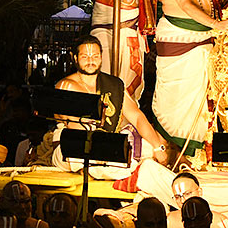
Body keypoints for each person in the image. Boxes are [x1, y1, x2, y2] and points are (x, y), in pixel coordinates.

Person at [152, 0, 228, 155]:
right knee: (180, 99)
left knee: (202, 94)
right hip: (181, 36)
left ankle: (200, 148)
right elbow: (186, 4)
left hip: (205, 35)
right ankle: (177, 149)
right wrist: (216, 25)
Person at [53, 36, 168, 173]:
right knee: (88, 155)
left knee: (150, 146)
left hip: (107, 144)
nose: (91, 61)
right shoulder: (66, 86)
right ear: (76, 58)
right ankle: (117, 169)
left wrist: (157, 147)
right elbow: (75, 127)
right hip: (73, 146)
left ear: (101, 57)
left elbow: (137, 118)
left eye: (95, 56)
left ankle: (111, 168)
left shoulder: (114, 85)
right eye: (85, 57)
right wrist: (105, 148)